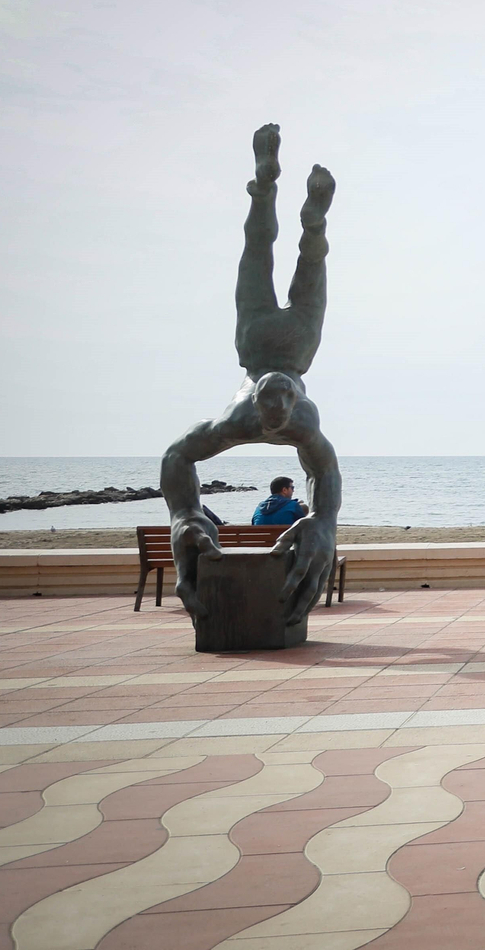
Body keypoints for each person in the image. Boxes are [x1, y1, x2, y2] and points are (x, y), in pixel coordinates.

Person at [160, 124, 342, 626]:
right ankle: (309, 221)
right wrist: (322, 520)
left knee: (262, 258)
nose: (277, 420)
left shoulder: (240, 420)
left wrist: (184, 511)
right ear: (268, 405)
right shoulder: (300, 420)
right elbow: (323, 469)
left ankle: (270, 192)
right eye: (274, 412)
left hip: (265, 348)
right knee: (277, 263)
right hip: (282, 347)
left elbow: (179, 453)